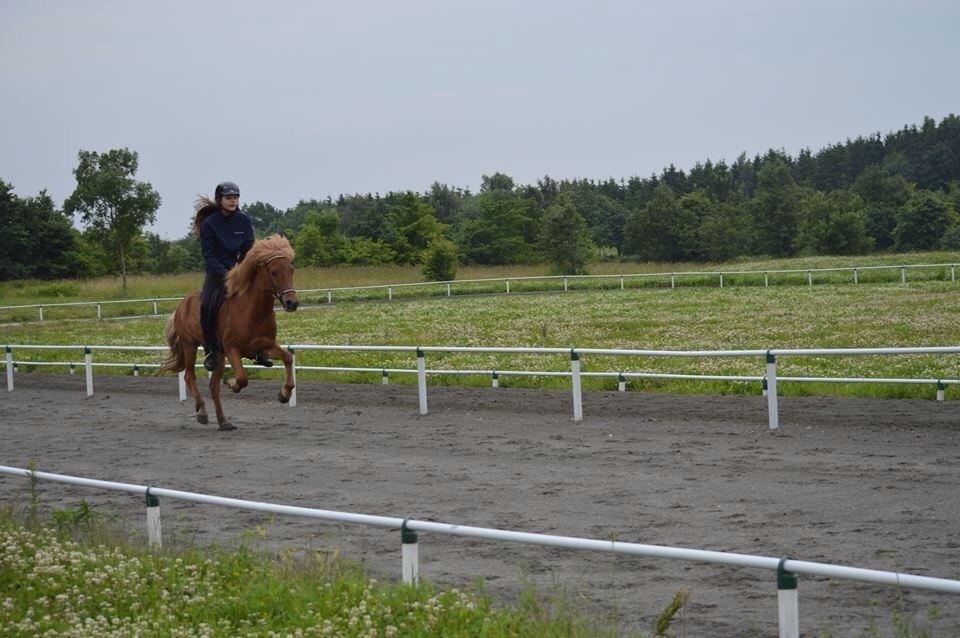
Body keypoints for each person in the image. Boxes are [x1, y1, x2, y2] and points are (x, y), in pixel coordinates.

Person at [197, 181, 272, 371]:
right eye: (229, 197)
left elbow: (249, 247)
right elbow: (209, 256)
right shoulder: (209, 224)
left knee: (261, 297)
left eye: (236, 197)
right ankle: (211, 350)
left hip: (240, 270)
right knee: (206, 304)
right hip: (216, 273)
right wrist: (226, 273)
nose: (233, 201)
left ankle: (261, 347)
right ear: (219, 200)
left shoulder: (244, 220)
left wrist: (250, 267)